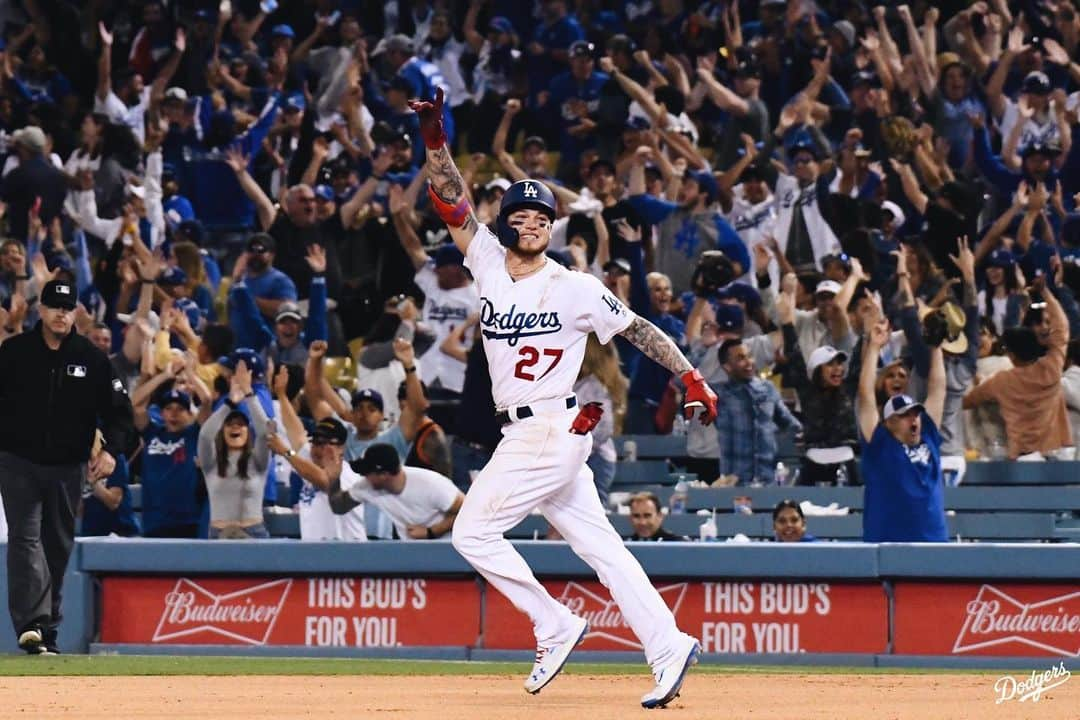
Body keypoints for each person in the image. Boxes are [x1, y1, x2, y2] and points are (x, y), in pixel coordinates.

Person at [412, 89, 715, 708]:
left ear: (553, 227)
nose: (531, 223)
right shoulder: (488, 261)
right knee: (602, 547)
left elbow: (637, 329)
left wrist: (690, 376)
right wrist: (435, 141)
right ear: (506, 223)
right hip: (537, 433)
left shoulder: (573, 286)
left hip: (547, 429)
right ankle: (668, 644)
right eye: (521, 216)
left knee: (471, 533)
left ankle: (553, 623)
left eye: (542, 217)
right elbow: (449, 200)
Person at [0, 280, 135, 654]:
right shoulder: (13, 353)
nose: (61, 313)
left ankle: (48, 627)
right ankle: (31, 625)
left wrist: (111, 450)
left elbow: (120, 414)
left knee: (56, 545)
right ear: (40, 310)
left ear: (76, 312)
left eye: (67, 307)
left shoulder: (91, 358)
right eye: (54, 307)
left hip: (68, 465)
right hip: (17, 461)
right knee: (25, 540)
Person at [857, 317, 948, 543]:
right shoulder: (880, 444)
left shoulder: (928, 437)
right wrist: (874, 347)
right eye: (904, 415)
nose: (913, 419)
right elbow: (865, 395)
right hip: (888, 547)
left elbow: (937, 390)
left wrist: (936, 348)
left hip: (935, 543)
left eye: (915, 413)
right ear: (888, 422)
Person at [962, 281, 1073, 459]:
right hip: (1059, 452)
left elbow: (966, 402)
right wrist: (1045, 292)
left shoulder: (1002, 381)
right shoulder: (1051, 367)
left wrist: (977, 381)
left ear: (1011, 355)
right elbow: (1062, 328)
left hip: (1025, 457)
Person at [328, 443, 464, 541]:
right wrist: (333, 480)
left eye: (367, 472)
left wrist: (431, 532)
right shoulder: (367, 487)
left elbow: (469, 511)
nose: (364, 477)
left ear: (384, 475)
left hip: (447, 550)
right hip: (412, 554)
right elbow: (339, 506)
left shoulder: (430, 483)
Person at [197, 360, 271, 539]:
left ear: (248, 431)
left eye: (241, 424)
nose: (235, 428)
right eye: (229, 424)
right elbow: (205, 435)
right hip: (219, 534)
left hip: (254, 533)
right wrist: (229, 403)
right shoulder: (211, 462)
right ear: (222, 431)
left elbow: (264, 433)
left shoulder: (258, 460)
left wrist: (249, 394)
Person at [715, 339, 802, 485]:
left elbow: (788, 422)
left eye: (749, 356)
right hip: (733, 482)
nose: (749, 362)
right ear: (727, 367)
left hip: (768, 479)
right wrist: (703, 348)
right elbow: (682, 380)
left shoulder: (767, 389)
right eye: (741, 358)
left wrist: (805, 434)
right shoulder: (718, 395)